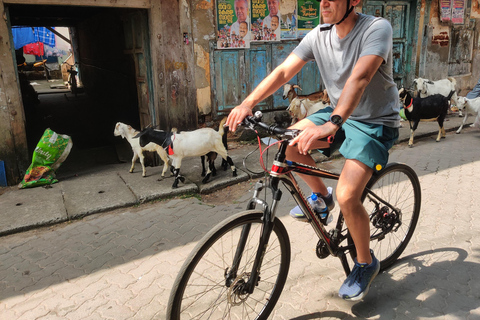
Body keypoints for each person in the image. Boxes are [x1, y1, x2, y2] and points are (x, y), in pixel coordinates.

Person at [226, 0, 400, 301]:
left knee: (348, 195)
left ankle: (365, 262)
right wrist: (248, 103)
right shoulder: (319, 34)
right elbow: (283, 72)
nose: (324, 2)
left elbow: (360, 77)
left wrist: (332, 124)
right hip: (338, 114)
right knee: (286, 143)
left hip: (374, 123)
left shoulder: (376, 28)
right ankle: (321, 197)